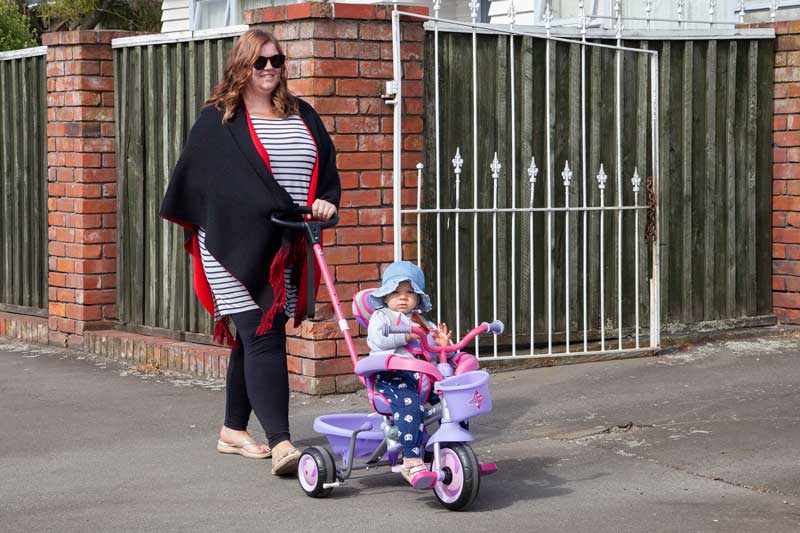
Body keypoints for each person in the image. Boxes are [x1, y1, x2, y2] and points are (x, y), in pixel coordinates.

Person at [159, 29, 340, 476]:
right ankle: (282, 443)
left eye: (276, 61)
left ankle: (232, 430)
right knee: (263, 334)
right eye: (260, 62)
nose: (270, 70)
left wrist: (325, 200)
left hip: (285, 245)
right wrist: (255, 208)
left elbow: (328, 170)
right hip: (231, 248)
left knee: (254, 335)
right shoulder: (218, 121)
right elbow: (200, 186)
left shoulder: (302, 114)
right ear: (241, 66)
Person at [366, 261, 452, 486]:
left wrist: (443, 344)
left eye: (409, 292)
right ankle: (412, 460)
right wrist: (405, 336)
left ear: (418, 297)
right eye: (395, 291)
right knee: (410, 406)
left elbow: (434, 350)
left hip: (425, 379)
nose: (402, 297)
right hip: (393, 377)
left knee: (453, 402)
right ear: (385, 296)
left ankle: (452, 452)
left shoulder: (422, 321)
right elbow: (378, 338)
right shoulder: (382, 317)